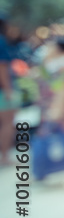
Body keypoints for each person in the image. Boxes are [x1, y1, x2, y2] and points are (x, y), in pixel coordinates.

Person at [0, 16, 20, 166]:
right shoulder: (1, 41)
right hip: (2, 90)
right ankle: (4, 156)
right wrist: (8, 90)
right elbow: (2, 66)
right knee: (7, 123)